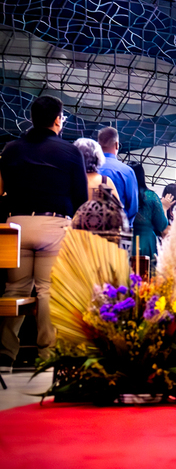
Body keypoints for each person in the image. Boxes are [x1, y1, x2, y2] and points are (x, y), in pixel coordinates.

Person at [0, 95, 88, 371]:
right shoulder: (70, 151)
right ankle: (47, 356)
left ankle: (5, 354)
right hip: (53, 224)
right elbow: (81, 197)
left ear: (31, 117)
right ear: (58, 119)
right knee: (48, 291)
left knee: (15, 289)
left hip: (16, 226)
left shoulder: (11, 149)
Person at [96, 126, 137, 222]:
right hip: (117, 228)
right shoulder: (127, 172)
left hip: (91, 228)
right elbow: (132, 208)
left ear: (98, 145)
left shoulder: (88, 169)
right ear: (117, 145)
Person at [131, 163, 169, 264]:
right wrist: (165, 208)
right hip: (148, 242)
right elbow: (162, 225)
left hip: (128, 241)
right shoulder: (152, 197)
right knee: (147, 275)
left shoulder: (125, 194)